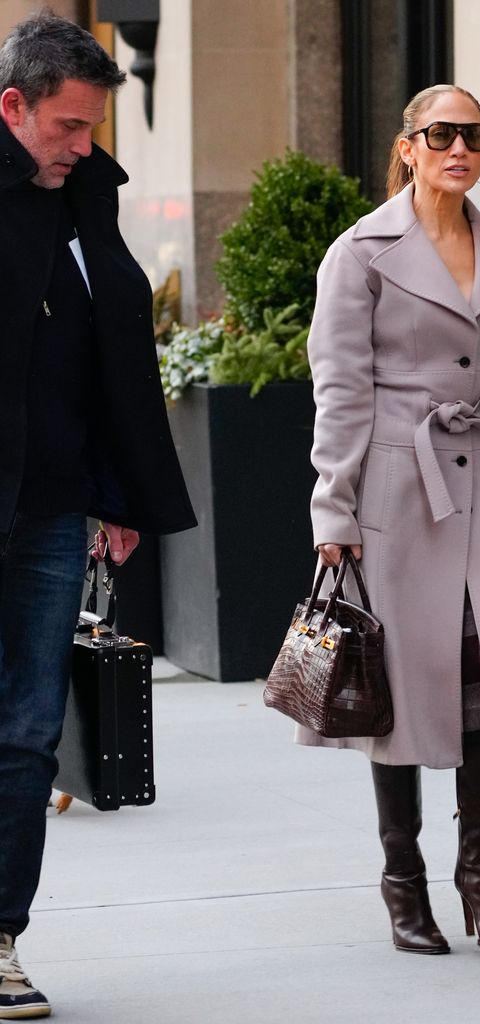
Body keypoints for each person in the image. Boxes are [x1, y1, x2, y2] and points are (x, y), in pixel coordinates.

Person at [299, 83, 480, 956]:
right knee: (398, 690)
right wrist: (332, 508)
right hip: (395, 493)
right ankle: (402, 881)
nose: (460, 147)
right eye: (441, 133)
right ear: (408, 145)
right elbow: (340, 392)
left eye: (474, 134)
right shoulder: (361, 253)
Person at [0, 12, 195, 1017]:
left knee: (29, 732)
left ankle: (1, 941)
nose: (83, 147)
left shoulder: (84, 201)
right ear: (13, 106)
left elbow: (111, 354)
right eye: (67, 127)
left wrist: (118, 493)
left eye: (92, 130)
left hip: (47, 512)